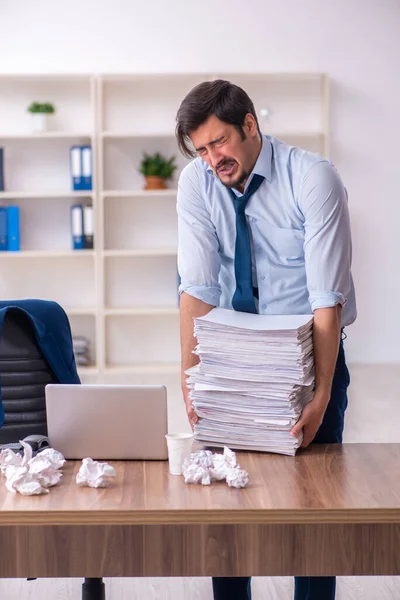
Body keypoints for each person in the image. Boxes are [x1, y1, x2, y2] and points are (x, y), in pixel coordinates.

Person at [175, 79, 356, 600]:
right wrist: (192, 379)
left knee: (315, 505)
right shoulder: (197, 182)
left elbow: (327, 297)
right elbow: (198, 287)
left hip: (308, 352)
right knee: (228, 504)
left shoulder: (313, 178)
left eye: (219, 143)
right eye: (202, 149)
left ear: (250, 125)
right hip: (232, 357)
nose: (212, 160)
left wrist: (320, 392)